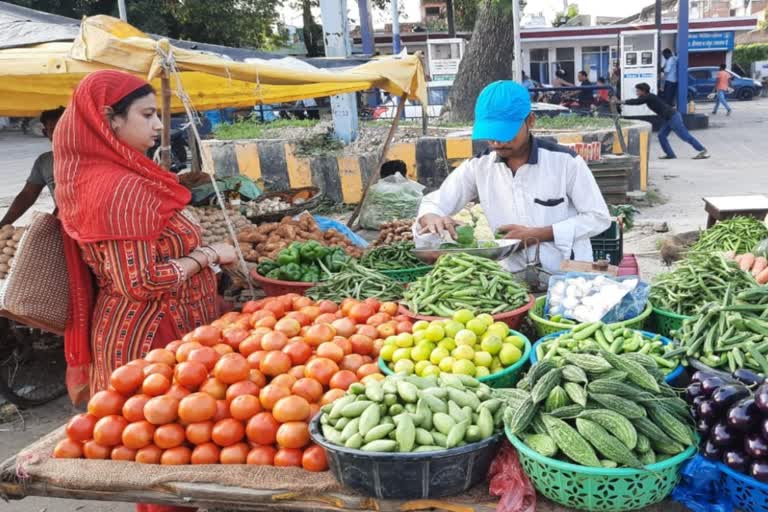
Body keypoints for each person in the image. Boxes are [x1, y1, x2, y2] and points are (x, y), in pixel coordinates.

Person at [54, 70, 236, 512]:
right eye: (147, 114)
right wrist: (208, 255)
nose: (159, 126)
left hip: (161, 337)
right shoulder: (120, 188)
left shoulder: (118, 174)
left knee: (175, 463)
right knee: (161, 470)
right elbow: (140, 283)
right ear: (109, 120)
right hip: (149, 340)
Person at [414, 81, 611, 274]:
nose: (498, 142)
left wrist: (538, 234)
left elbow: (598, 218)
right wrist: (431, 216)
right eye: (491, 134)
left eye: (506, 133)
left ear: (530, 121)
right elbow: (436, 202)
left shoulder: (566, 162)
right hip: (512, 275)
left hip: (566, 273)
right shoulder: (479, 167)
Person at [0, 108, 65, 227]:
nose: (57, 133)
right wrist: (4, 224)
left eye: (62, 128)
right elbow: (27, 195)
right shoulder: (44, 162)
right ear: (45, 133)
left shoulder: (93, 156)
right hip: (64, 225)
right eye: (52, 130)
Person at [616, 82, 709, 160]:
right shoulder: (648, 97)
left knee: (685, 136)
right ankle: (670, 154)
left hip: (673, 117)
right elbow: (637, 100)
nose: (636, 92)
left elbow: (636, 102)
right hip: (668, 118)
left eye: (638, 90)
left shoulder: (649, 97)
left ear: (643, 91)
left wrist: (621, 102)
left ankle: (702, 151)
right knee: (661, 135)